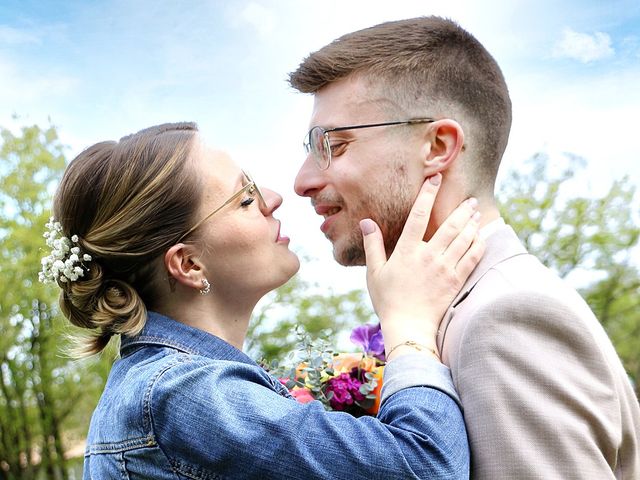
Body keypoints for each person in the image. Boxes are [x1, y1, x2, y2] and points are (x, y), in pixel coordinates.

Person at [290, 16, 640, 479]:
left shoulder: (508, 317)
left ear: (438, 145)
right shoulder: (451, 308)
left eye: (334, 145)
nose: (303, 181)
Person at [40, 122, 485, 479]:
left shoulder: (165, 388)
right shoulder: (182, 397)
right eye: (246, 197)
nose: (274, 198)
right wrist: (407, 326)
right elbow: (428, 467)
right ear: (189, 264)